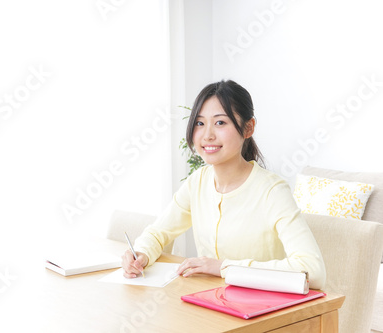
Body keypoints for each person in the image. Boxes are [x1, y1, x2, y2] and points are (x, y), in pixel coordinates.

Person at [121, 80, 326, 289]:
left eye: (220, 123)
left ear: (248, 128)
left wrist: (225, 267)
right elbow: (159, 232)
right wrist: (141, 254)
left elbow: (313, 270)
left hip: (261, 312)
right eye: (200, 123)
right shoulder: (198, 182)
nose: (208, 135)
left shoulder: (272, 191)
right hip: (210, 303)